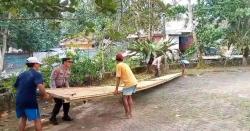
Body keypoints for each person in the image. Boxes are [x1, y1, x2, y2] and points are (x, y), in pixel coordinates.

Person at [14, 57, 50, 131]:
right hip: (29, 101)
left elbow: (17, 86)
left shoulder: (21, 74)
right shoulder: (37, 74)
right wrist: (45, 95)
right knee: (36, 119)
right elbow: (40, 87)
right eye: (39, 64)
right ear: (35, 64)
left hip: (19, 100)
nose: (39, 66)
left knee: (23, 118)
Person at [49, 58, 73, 125]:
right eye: (69, 62)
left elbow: (66, 80)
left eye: (71, 62)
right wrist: (54, 90)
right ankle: (52, 117)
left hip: (63, 88)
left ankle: (65, 116)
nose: (71, 63)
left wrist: (68, 88)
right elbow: (52, 79)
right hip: (56, 88)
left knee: (67, 101)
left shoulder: (68, 70)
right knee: (58, 103)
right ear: (64, 62)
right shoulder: (57, 69)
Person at [114, 53, 138, 119]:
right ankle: (130, 113)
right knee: (129, 96)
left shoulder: (118, 65)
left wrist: (116, 89)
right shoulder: (125, 64)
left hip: (129, 83)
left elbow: (118, 78)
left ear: (116, 60)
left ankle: (127, 114)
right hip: (134, 82)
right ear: (122, 59)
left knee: (124, 98)